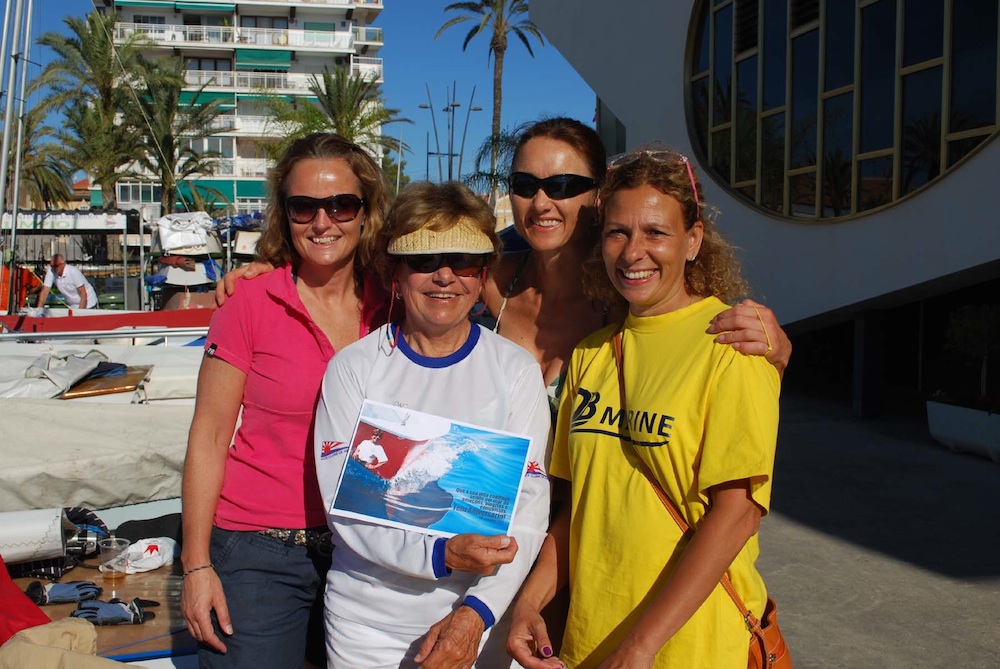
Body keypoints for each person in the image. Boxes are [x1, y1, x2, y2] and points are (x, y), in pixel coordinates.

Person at [507, 149, 782, 668]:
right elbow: (578, 510)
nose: (634, 252)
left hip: (688, 649)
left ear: (693, 240)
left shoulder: (734, 347)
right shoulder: (591, 354)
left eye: (656, 232)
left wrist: (639, 647)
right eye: (618, 233)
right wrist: (528, 604)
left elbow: (738, 514)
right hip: (590, 642)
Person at [313, 181, 551, 668]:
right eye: (423, 260)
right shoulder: (353, 368)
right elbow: (346, 508)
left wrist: (477, 613)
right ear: (396, 274)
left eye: (462, 261)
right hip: (365, 629)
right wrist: (441, 555)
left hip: (478, 622)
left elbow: (529, 511)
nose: (445, 276)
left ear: (481, 274)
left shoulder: (516, 370)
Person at [180, 132, 391, 669]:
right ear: (285, 213)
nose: (322, 222)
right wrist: (196, 565)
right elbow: (209, 436)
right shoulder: (249, 301)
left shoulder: (395, 304)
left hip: (367, 548)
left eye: (341, 205)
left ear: (365, 211)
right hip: (259, 551)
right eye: (304, 207)